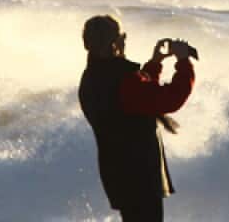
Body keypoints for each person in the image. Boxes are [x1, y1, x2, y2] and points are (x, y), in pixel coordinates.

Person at [79, 15, 196, 222]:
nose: (124, 40)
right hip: (140, 176)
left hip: (117, 173)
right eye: (122, 36)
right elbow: (169, 99)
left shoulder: (91, 78)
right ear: (114, 43)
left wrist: (155, 64)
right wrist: (183, 62)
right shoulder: (122, 80)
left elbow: (137, 100)